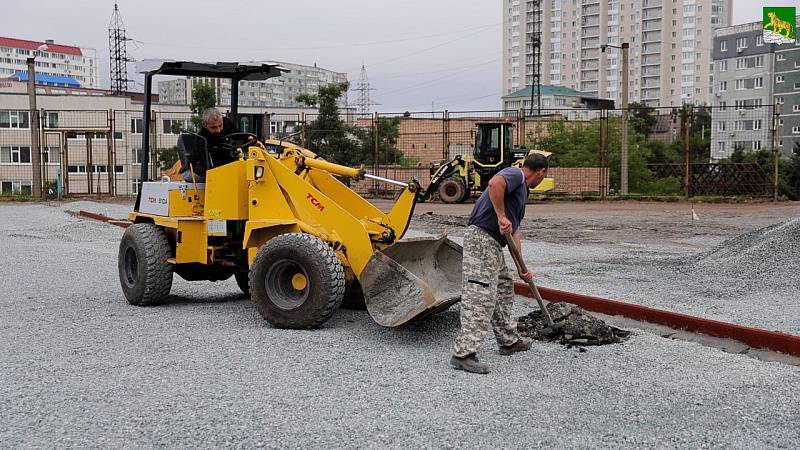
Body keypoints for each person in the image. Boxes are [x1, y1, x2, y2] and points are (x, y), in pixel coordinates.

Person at [450, 153, 549, 374]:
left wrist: (521, 267)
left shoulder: (522, 192)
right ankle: (463, 353)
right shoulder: (516, 175)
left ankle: (508, 341)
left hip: (494, 243)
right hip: (482, 238)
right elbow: (495, 183)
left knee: (504, 288)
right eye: (544, 176)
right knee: (480, 293)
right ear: (541, 172)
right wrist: (500, 215)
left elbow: (514, 230)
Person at [182, 108, 240, 181]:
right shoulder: (201, 139)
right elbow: (208, 166)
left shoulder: (227, 123)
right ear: (204, 125)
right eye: (213, 127)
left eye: (220, 126)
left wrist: (251, 139)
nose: (218, 130)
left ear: (222, 120)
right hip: (205, 168)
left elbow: (239, 135)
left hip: (226, 165)